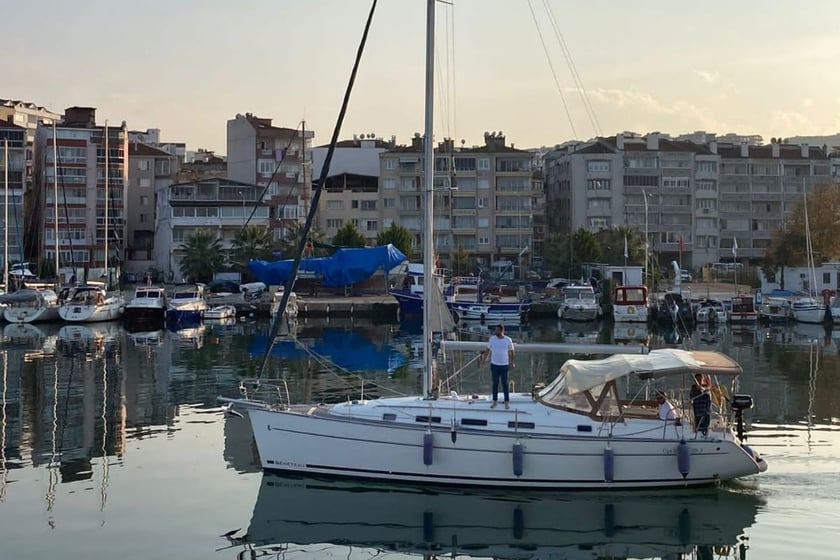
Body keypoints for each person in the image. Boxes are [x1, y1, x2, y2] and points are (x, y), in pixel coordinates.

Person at [480, 324, 515, 409]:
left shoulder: (507, 340)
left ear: (501, 331)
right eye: (495, 330)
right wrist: (484, 360)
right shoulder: (492, 339)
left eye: (497, 330)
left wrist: (512, 362)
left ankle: (506, 401)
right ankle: (494, 401)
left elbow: (512, 352)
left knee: (505, 384)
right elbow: (487, 350)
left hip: (504, 365)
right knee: (495, 383)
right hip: (495, 365)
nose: (496, 332)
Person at [690, 372, 712, 437]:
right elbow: (691, 396)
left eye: (700, 379)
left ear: (702, 379)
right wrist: (698, 389)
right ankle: (698, 436)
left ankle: (705, 436)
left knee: (705, 427)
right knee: (698, 427)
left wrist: (702, 389)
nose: (699, 381)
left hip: (705, 411)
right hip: (697, 410)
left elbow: (708, 391)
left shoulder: (706, 387)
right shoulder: (693, 388)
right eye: (697, 379)